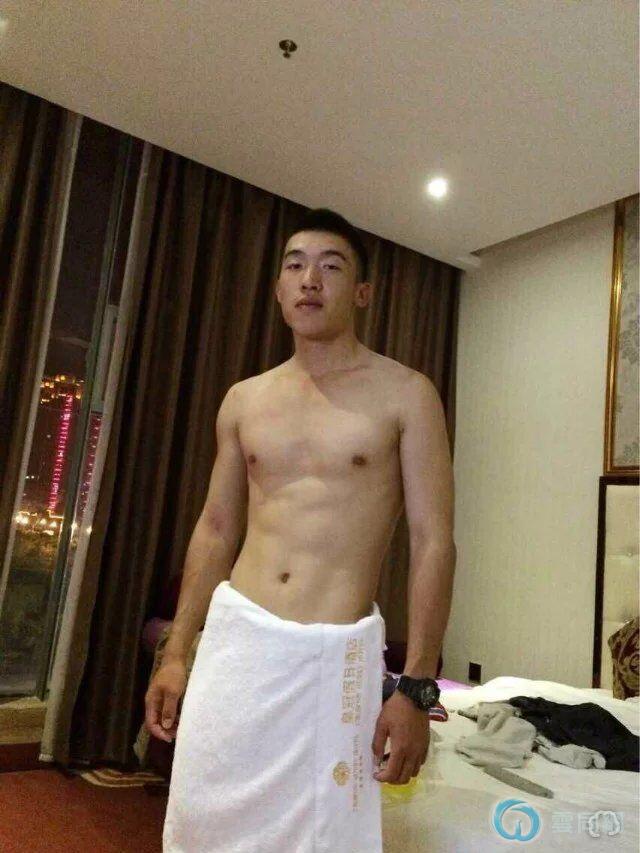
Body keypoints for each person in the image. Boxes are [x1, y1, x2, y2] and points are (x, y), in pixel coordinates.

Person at [146, 208, 457, 852]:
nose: (310, 279)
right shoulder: (245, 399)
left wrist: (416, 688)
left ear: (362, 293)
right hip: (238, 642)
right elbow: (216, 527)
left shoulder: (406, 394)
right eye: (295, 265)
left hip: (332, 654)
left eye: (331, 267)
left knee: (324, 837)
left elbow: (433, 541)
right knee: (206, 822)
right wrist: (176, 653)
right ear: (279, 289)